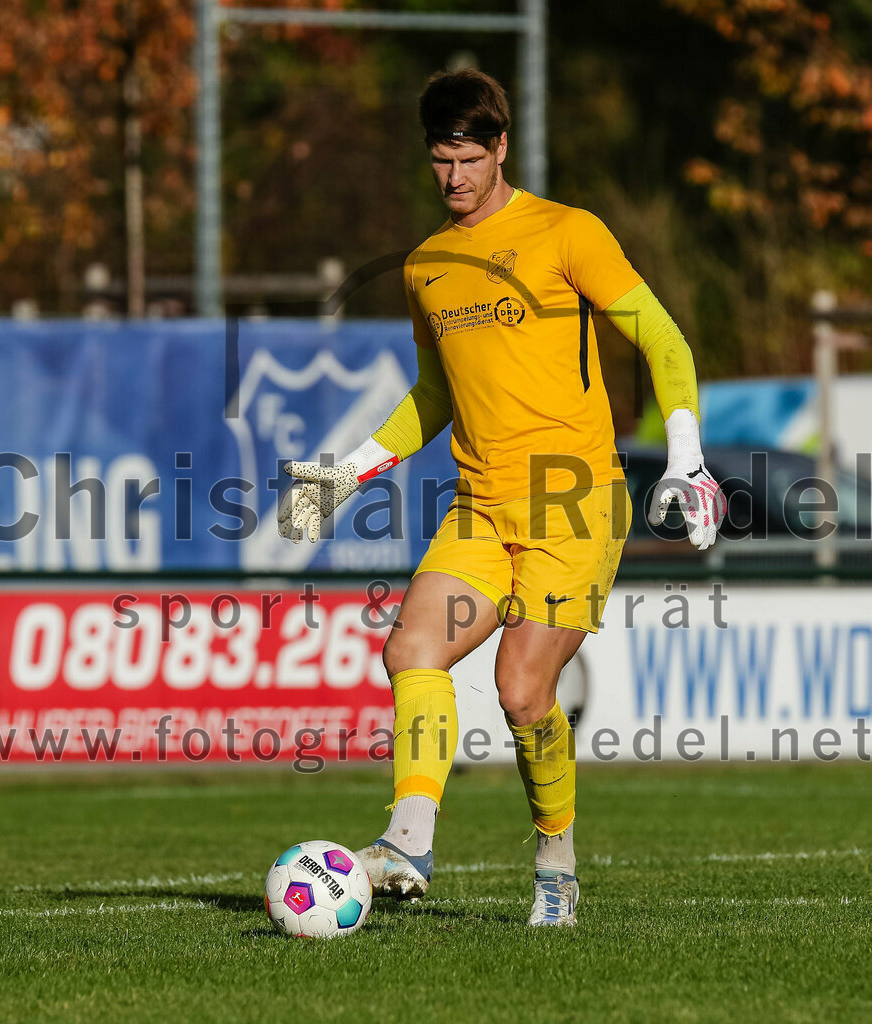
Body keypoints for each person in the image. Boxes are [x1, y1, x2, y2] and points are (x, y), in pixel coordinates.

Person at [278, 69, 727, 926]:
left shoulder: (568, 232)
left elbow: (663, 338)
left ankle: (556, 859)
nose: (454, 177)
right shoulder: (424, 267)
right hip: (480, 507)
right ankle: (408, 841)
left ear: (501, 149)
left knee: (522, 692)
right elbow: (433, 398)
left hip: (574, 502)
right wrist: (347, 473)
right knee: (412, 649)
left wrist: (686, 459)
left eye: (469, 159)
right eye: (440, 160)